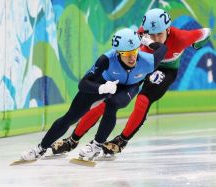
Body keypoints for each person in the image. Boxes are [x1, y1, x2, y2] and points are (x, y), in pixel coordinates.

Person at [52, 8, 211, 156]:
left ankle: (121, 140)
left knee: (142, 100)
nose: (155, 38)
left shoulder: (183, 37)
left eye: (159, 34)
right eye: (151, 34)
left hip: (165, 70)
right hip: (142, 66)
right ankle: (73, 140)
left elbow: (206, 32)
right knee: (107, 102)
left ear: (168, 30)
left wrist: (198, 45)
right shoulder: (140, 33)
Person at [21, 27, 167, 161]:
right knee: (70, 116)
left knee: (112, 104)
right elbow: (83, 84)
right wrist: (101, 88)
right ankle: (40, 149)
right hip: (106, 83)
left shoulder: (149, 61)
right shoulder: (106, 59)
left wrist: (147, 42)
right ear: (117, 53)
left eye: (134, 52)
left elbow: (163, 48)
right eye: (126, 54)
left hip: (128, 87)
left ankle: (96, 146)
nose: (131, 57)